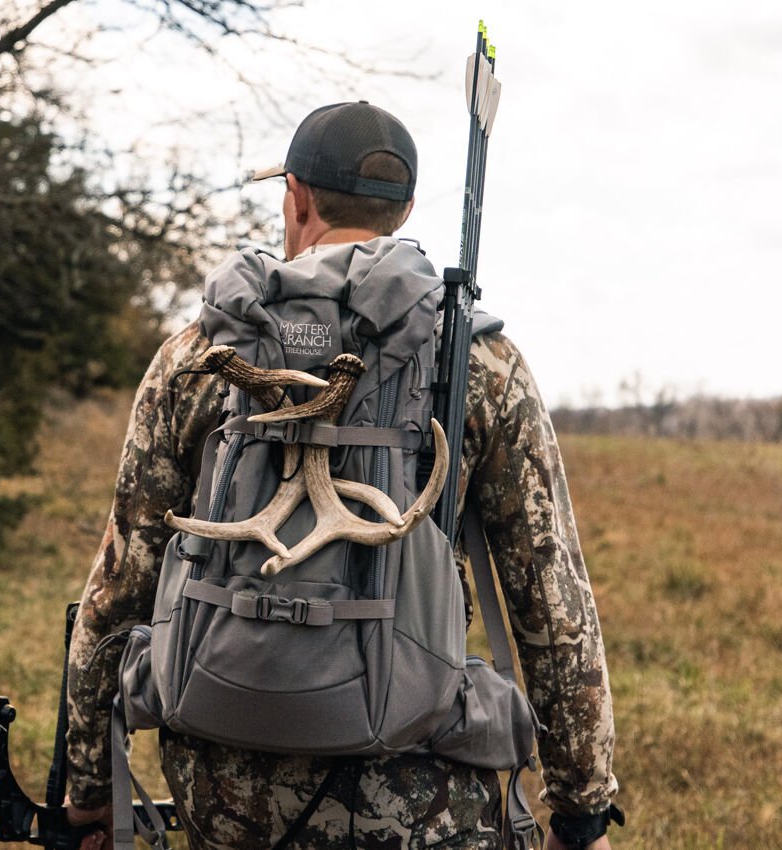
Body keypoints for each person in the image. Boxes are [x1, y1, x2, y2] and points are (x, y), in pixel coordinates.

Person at [60, 101, 619, 850]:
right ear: (405, 211)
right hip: (420, 797)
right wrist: (581, 811)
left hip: (224, 794)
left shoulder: (198, 355)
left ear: (295, 196)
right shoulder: (478, 363)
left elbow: (118, 584)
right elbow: (553, 606)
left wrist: (88, 786)